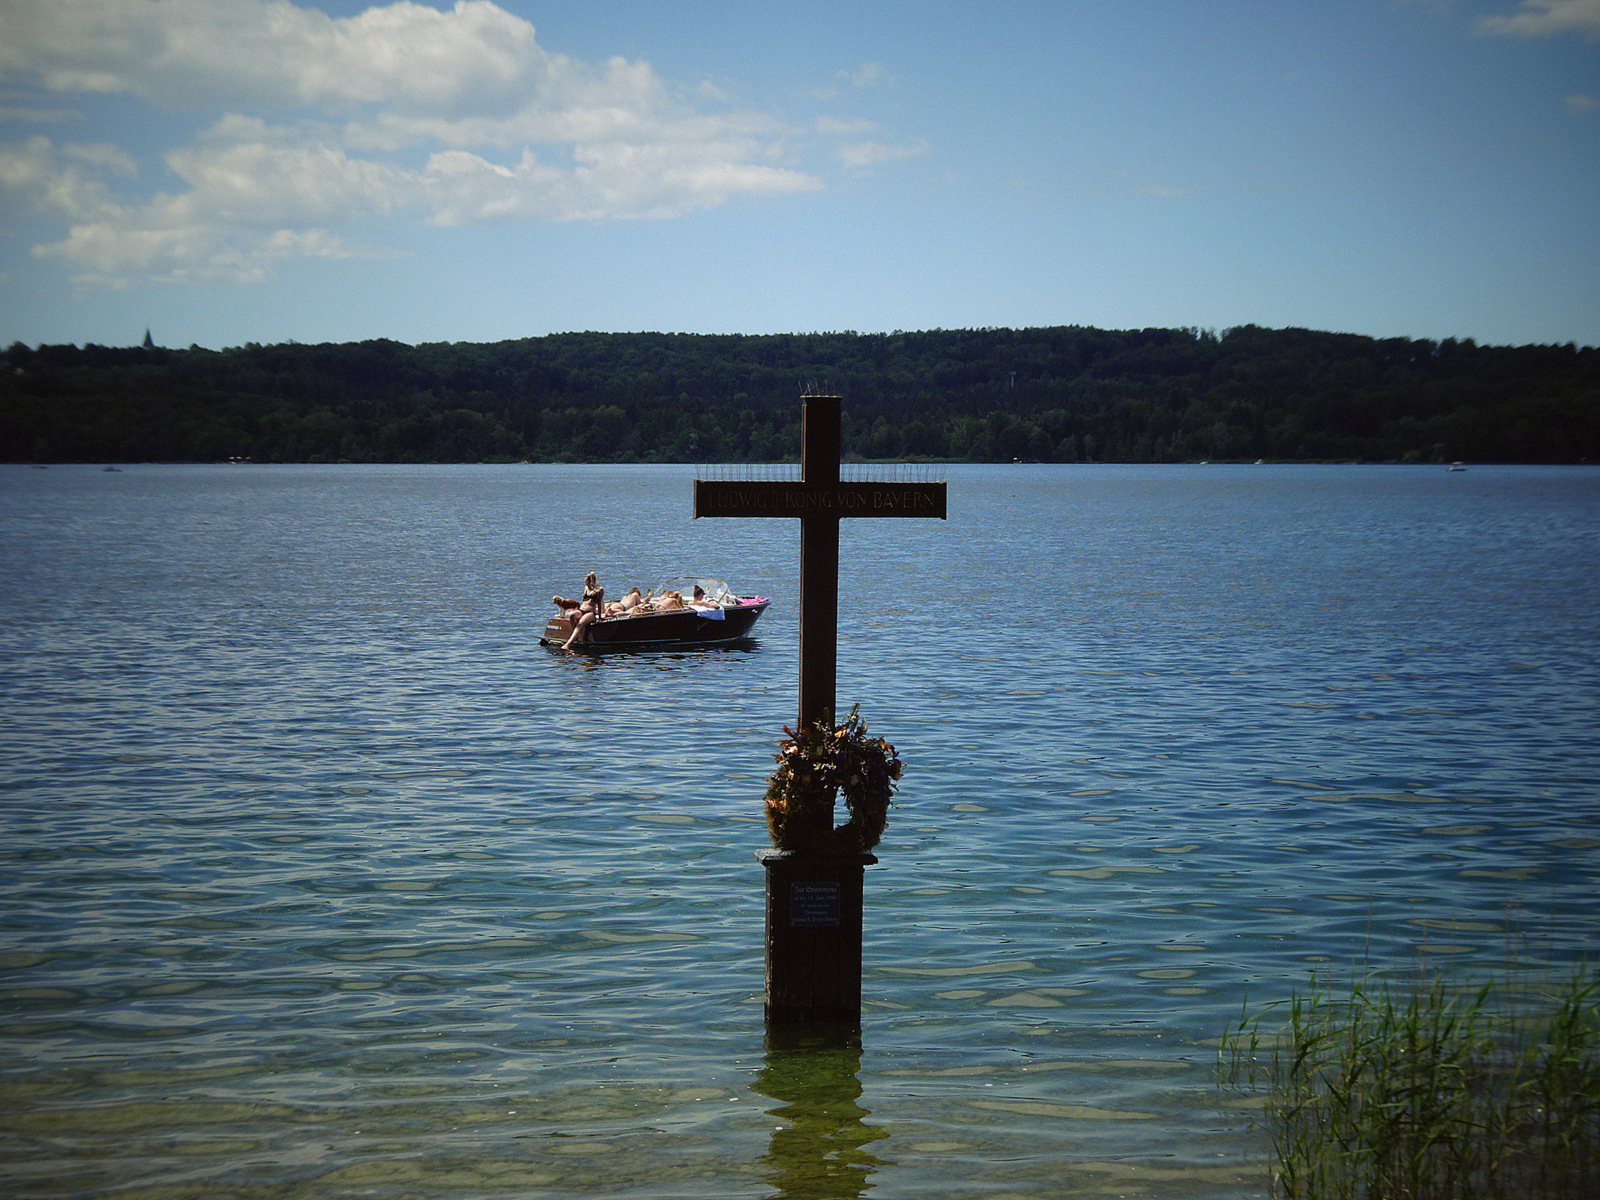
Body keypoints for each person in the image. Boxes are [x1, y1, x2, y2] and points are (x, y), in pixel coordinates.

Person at [560, 572, 604, 649]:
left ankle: (568, 644)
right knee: (572, 615)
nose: (586, 584)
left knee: (580, 624)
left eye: (587, 583)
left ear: (592, 582)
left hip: (590, 612)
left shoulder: (599, 590)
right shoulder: (586, 588)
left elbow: (599, 604)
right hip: (581, 610)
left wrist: (599, 617)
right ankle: (576, 637)